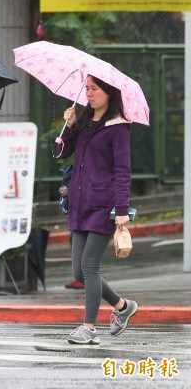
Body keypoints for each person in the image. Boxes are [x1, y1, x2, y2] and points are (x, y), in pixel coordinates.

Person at [55, 75, 138, 345]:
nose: (89, 94)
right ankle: (123, 307)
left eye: (95, 89)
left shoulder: (119, 127)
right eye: (87, 88)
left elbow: (123, 171)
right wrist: (68, 126)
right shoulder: (82, 120)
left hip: (103, 205)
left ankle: (89, 328)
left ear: (109, 92)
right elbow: (61, 154)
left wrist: (122, 210)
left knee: (90, 267)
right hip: (79, 203)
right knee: (79, 272)